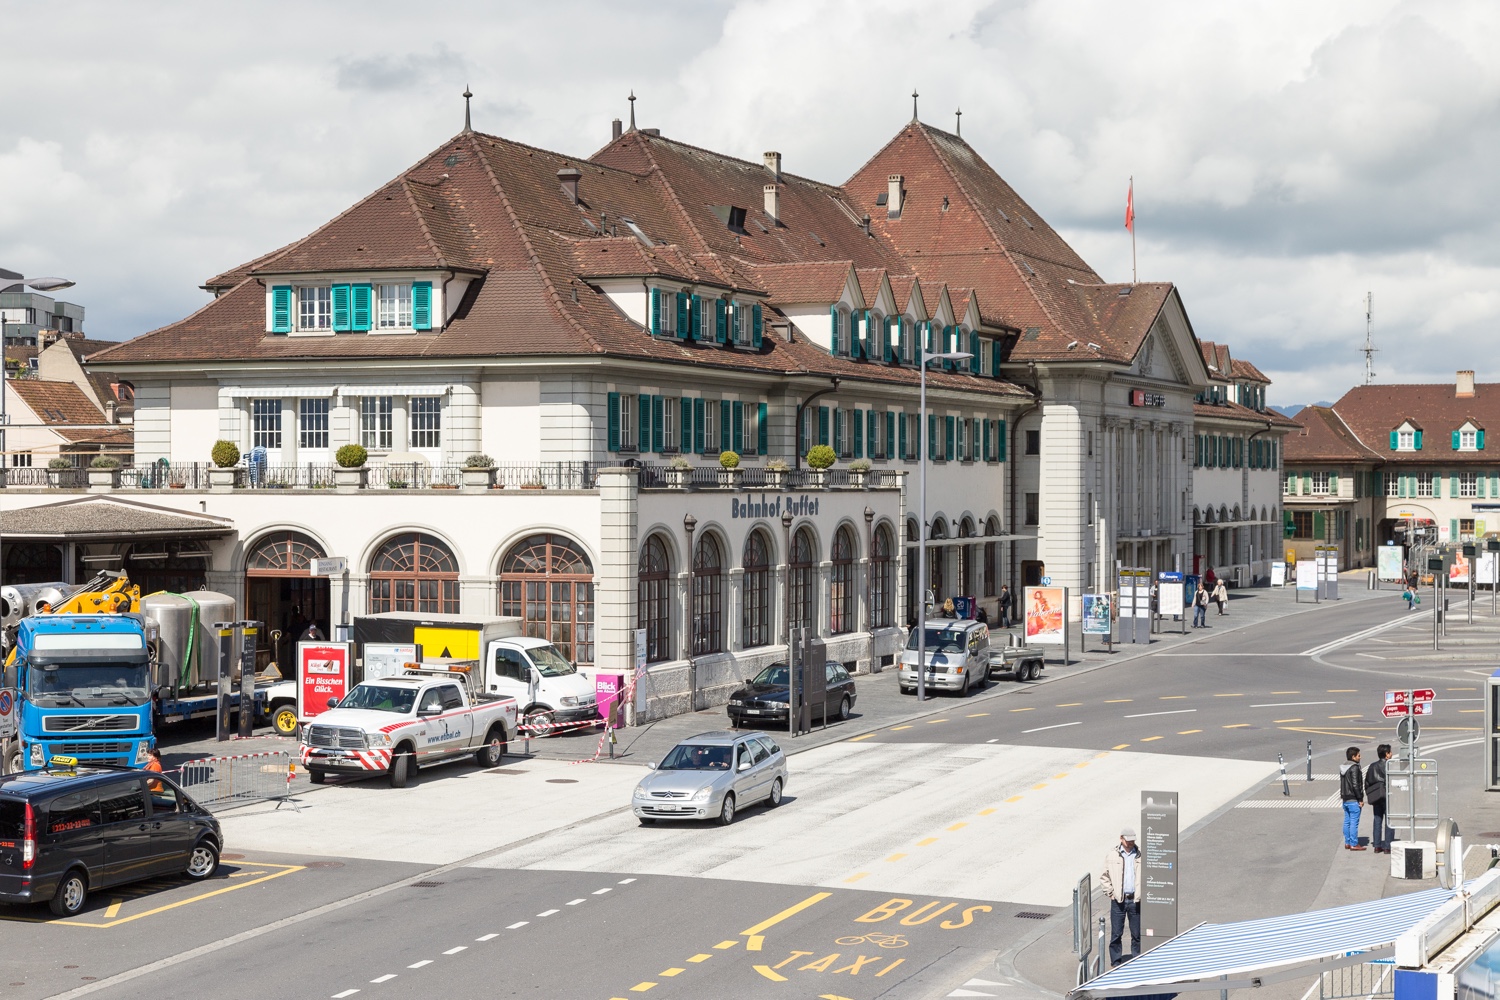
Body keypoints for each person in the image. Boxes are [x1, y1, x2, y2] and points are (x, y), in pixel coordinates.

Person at [1099, 827, 1142, 966]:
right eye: (1128, 840)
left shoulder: (1141, 854)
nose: (1130, 843)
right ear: (1121, 839)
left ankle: (1137, 960)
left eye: (1132, 840)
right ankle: (1116, 962)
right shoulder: (1113, 855)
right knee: (1116, 933)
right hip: (1119, 901)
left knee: (1137, 934)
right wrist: (1110, 893)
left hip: (1135, 900)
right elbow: (1104, 876)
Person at [1367, 744, 1392, 853]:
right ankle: (1387, 846)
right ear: (1386, 754)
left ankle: (1377, 846)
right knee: (1389, 821)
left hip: (1376, 796)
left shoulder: (1372, 766)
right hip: (1388, 796)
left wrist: (1370, 793)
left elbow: (1367, 781)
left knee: (1377, 819)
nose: (1392, 754)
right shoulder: (1391, 765)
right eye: (1390, 752)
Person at [1340, 746, 1366, 850]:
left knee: (1347, 821)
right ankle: (1354, 844)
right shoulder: (1354, 768)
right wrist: (1360, 799)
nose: (1360, 757)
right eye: (1358, 755)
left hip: (1345, 799)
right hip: (1353, 799)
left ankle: (1347, 842)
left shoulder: (1343, 767)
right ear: (1353, 757)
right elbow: (1355, 785)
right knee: (1354, 822)